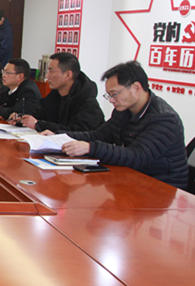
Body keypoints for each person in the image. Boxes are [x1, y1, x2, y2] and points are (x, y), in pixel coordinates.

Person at [58, 61, 189, 189]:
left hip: (162, 188)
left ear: (136, 88)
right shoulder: (123, 111)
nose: (111, 100)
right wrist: (59, 136)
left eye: (114, 94)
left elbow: (137, 156)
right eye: (109, 95)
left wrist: (90, 148)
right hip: (131, 178)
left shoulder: (164, 119)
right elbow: (98, 135)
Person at [15, 53, 104, 132]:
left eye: (51, 71)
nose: (47, 76)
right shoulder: (55, 95)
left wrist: (38, 125)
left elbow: (76, 132)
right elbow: (38, 115)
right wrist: (21, 118)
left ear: (68, 75)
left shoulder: (88, 104)